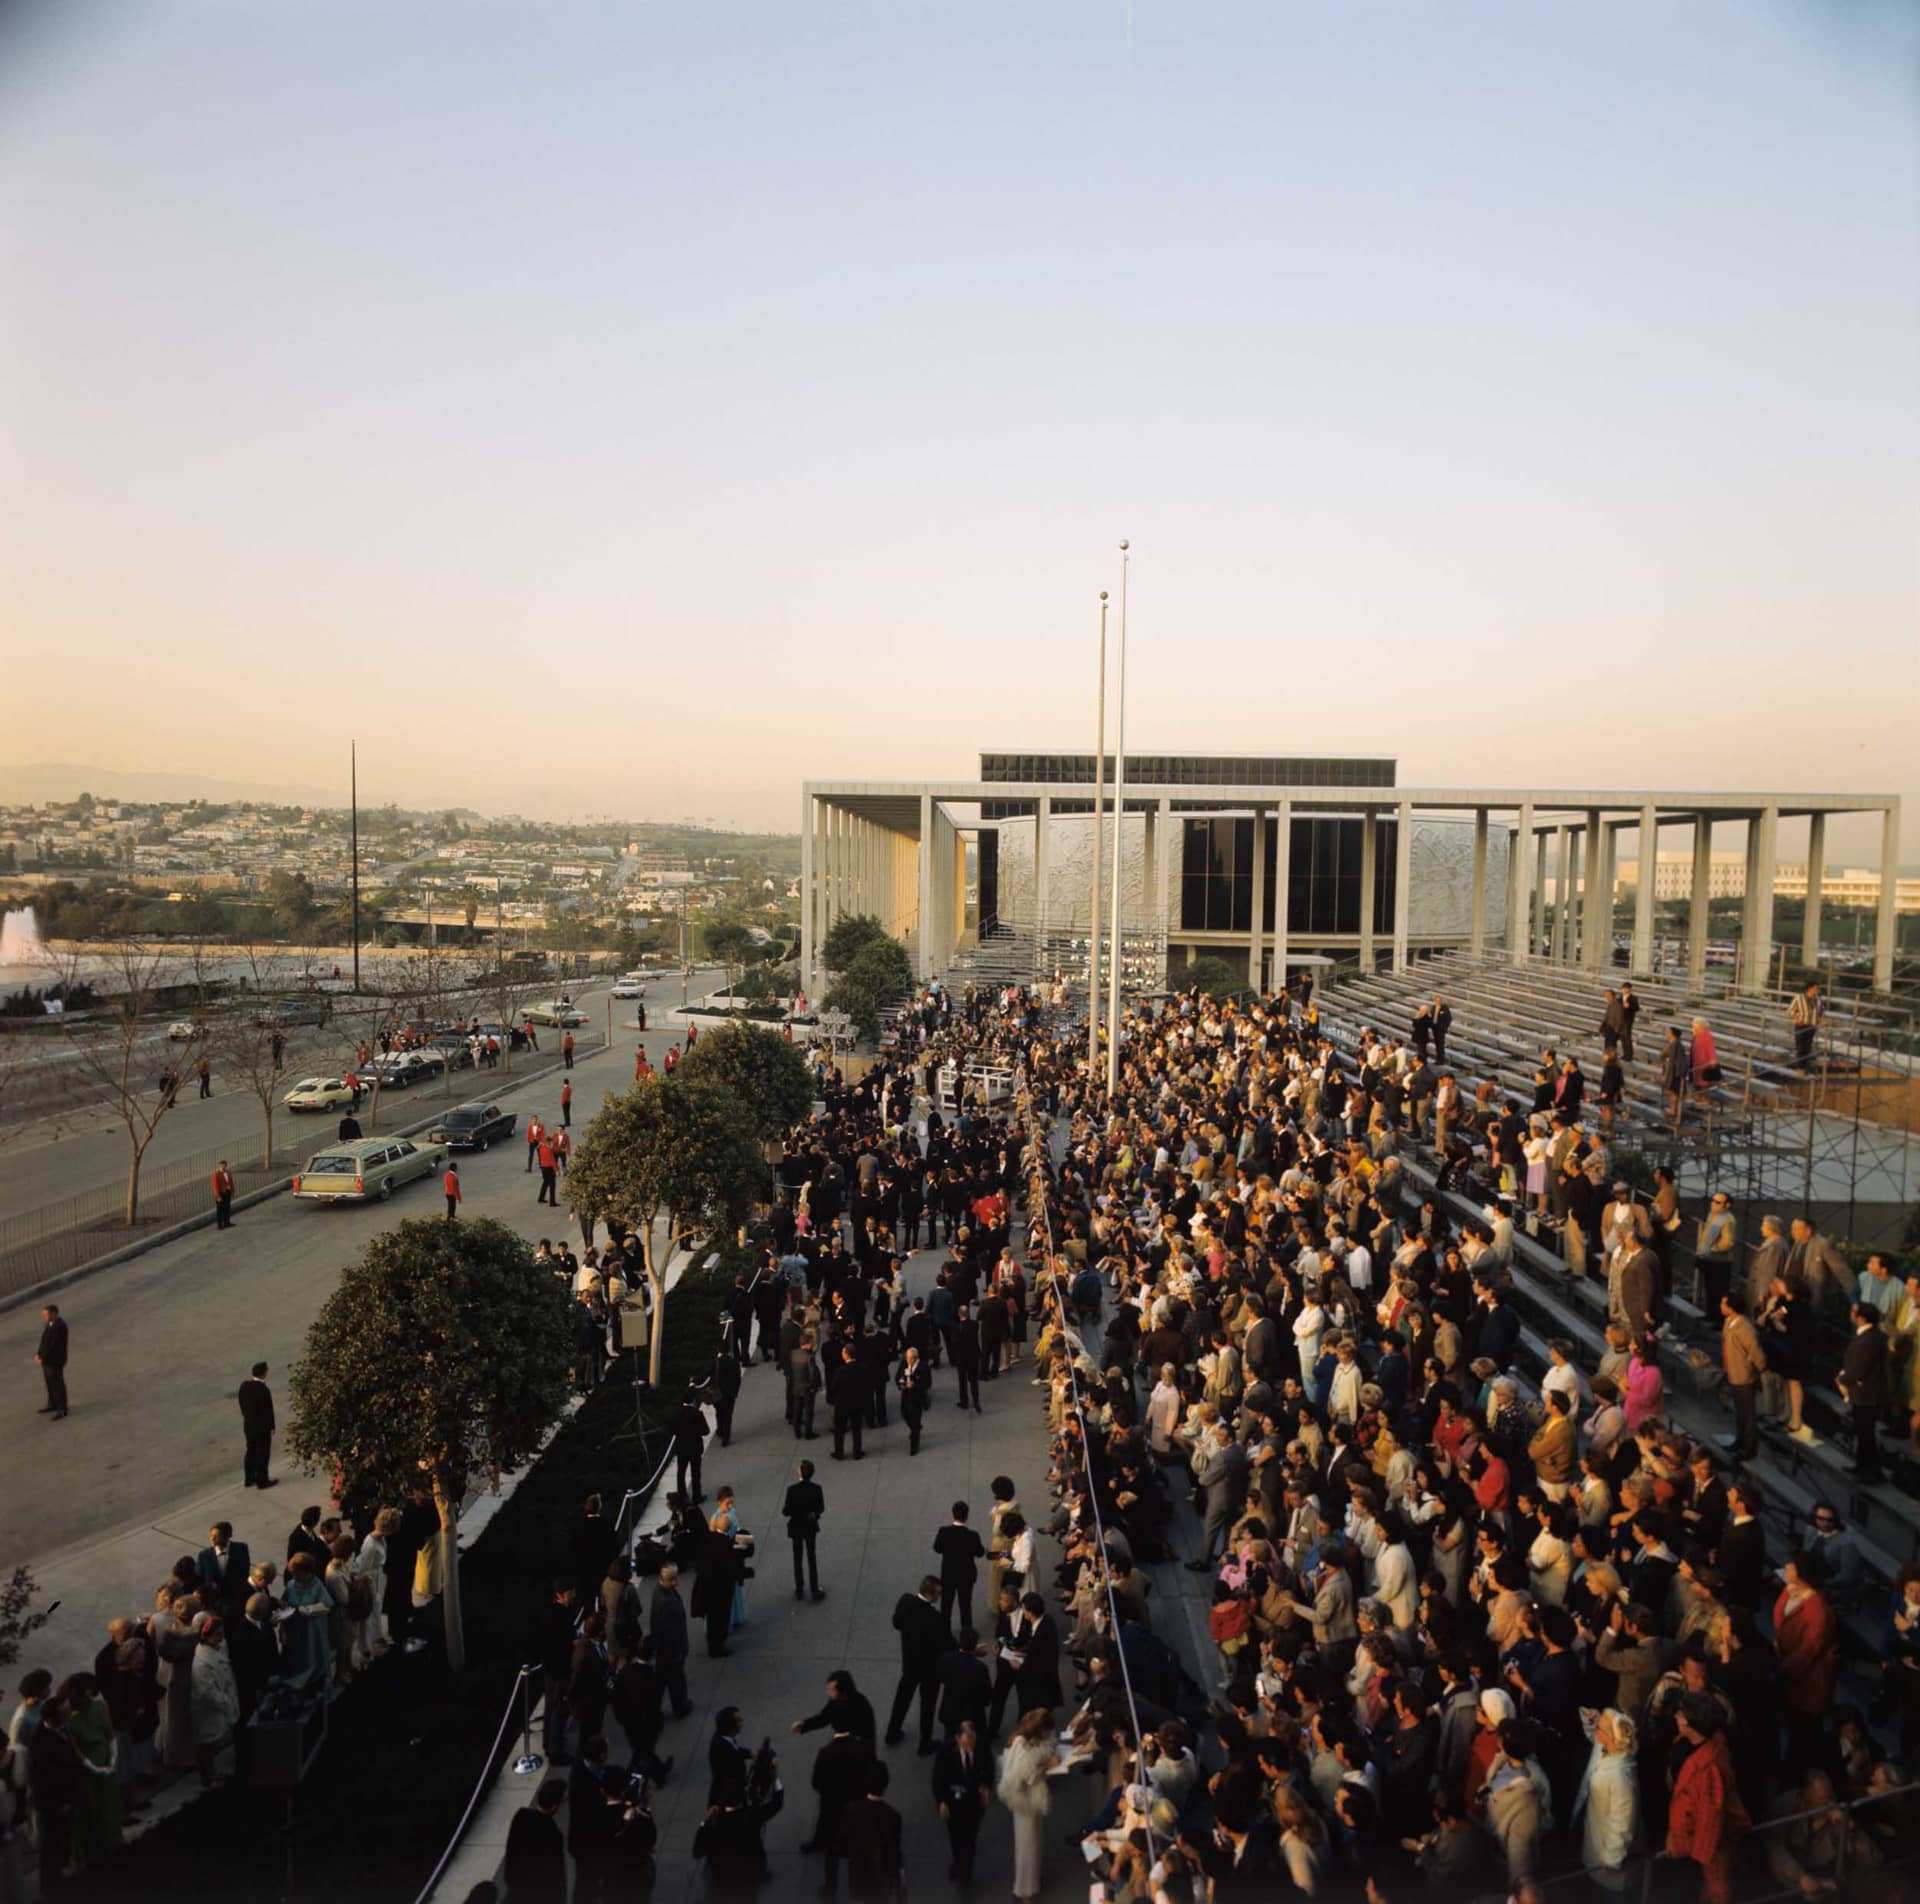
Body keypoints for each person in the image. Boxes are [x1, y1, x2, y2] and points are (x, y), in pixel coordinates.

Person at [1665, 1695, 1747, 1904]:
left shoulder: (1709, 1770)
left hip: (1708, 1848)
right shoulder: (1698, 1743)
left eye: (1681, 1714)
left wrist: (1692, 1849)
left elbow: (1710, 1818)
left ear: (1693, 1724)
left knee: (1716, 1886)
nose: (1676, 1716)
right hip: (1694, 1842)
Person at [885, 1576, 952, 1754]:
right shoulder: (937, 1619)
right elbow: (948, 1645)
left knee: (902, 1699)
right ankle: (925, 1742)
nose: (940, 1596)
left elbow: (896, 1622)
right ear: (931, 1594)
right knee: (927, 1706)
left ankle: (892, 1732)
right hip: (930, 1670)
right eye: (938, 1593)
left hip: (910, 1664)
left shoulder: (905, 1601)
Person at [997, 1708, 1058, 1903]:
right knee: (1027, 1846)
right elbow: (1026, 1777)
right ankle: (1025, 1890)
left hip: (1027, 1800)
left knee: (1032, 1843)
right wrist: (1049, 1766)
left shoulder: (1021, 1740)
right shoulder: (1022, 1747)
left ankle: (1030, 1883)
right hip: (1025, 1800)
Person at [932, 1717, 994, 1886]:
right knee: (955, 1836)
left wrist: (986, 1787)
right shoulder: (946, 1751)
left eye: (972, 1742)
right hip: (953, 1800)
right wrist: (941, 1802)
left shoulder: (982, 1746)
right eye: (966, 1743)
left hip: (974, 1801)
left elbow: (989, 1769)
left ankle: (965, 1872)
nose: (969, 1747)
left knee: (970, 1837)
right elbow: (938, 1779)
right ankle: (958, 1861)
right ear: (958, 1738)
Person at [1838, 1300, 1890, 1480]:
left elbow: (1860, 1367)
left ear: (1861, 1317)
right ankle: (1863, 1466)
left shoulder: (1870, 1340)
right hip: (1864, 1392)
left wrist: (1842, 1379)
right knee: (1862, 1431)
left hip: (1867, 1393)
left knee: (1865, 1432)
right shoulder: (1871, 1336)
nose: (1850, 1314)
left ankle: (1871, 1471)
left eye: (1853, 1312)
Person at [502, 1777, 568, 1904]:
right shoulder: (553, 1834)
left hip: (515, 1891)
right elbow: (557, 1877)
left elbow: (511, 1852)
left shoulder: (520, 1816)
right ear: (555, 1806)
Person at [1719, 1294, 1765, 1459]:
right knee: (1739, 1411)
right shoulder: (1728, 1323)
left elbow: (1755, 1352)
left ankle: (1750, 1447)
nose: (1721, 1306)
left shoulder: (1745, 1329)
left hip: (1743, 1375)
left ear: (1731, 1307)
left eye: (1724, 1304)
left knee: (1748, 1414)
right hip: (1732, 1372)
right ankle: (1740, 1440)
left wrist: (1760, 1368)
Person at [934, 1504, 985, 1637]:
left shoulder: (943, 1532)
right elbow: (979, 1553)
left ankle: (943, 1632)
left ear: (953, 1514)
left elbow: (937, 1548)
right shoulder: (973, 1535)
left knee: (946, 1605)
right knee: (965, 1605)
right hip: (966, 1576)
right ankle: (967, 1633)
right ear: (966, 1516)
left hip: (948, 1575)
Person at [650, 1565, 692, 1718]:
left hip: (663, 1649)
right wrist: (677, 1652)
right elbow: (670, 1632)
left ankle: (654, 1710)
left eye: (675, 1578)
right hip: (671, 1650)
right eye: (671, 1580)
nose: (675, 1583)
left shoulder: (661, 1592)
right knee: (676, 1680)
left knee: (661, 1680)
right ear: (663, 1579)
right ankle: (680, 1707)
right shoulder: (666, 1602)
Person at [784, 1458, 827, 1603]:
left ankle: (799, 1589)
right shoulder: (816, 1489)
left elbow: (786, 1511)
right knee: (811, 1557)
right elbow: (821, 1508)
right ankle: (814, 1590)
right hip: (810, 1526)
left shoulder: (792, 1490)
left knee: (797, 1558)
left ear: (801, 1472)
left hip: (796, 1526)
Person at [35, 1304, 69, 1419]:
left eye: (46, 1314)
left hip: (55, 1360)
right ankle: (52, 1404)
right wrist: (38, 1354)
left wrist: (43, 1358)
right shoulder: (49, 1324)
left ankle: (62, 1409)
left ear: (54, 1313)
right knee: (49, 1383)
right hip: (46, 1361)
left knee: (57, 1385)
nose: (44, 1317)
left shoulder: (59, 1326)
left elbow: (53, 1346)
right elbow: (44, 1341)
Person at [1789, 981, 1824, 1068]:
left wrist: (1821, 1020)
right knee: (1800, 1047)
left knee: (1808, 1047)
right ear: (1810, 989)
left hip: (1812, 1026)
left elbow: (1821, 1012)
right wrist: (1797, 1019)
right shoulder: (1799, 998)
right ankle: (1800, 1067)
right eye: (1816, 988)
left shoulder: (1818, 999)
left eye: (1818, 989)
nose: (1817, 990)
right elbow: (1790, 1011)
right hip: (1802, 1025)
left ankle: (1805, 1066)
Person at [211, 1159, 235, 1229]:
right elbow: (215, 1186)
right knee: (220, 1210)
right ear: (219, 1166)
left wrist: (232, 1191)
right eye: (221, 1166)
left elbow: (231, 1182)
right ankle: (219, 1225)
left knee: (227, 1208)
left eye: (224, 1166)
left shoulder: (228, 1172)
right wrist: (217, 1196)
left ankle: (227, 1222)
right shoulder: (216, 1175)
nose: (223, 1167)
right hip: (221, 1193)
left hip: (227, 1192)